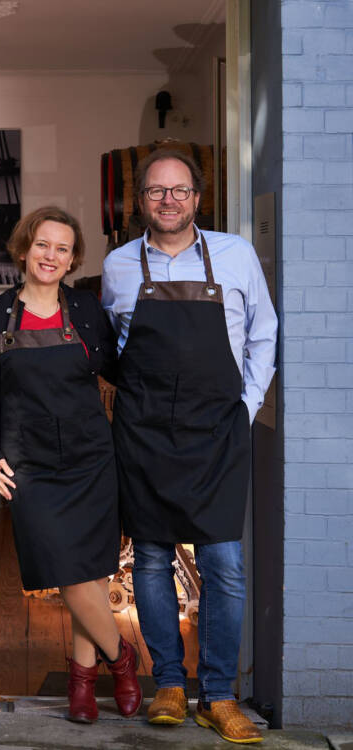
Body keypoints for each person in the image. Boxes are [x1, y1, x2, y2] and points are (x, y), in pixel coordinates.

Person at [102, 149, 277, 744]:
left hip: (217, 432)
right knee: (151, 559)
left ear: (197, 199)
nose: (168, 200)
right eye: (156, 191)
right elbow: (110, 347)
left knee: (224, 565)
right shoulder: (119, 265)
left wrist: (247, 406)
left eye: (179, 191)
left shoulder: (235, 254)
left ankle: (220, 694)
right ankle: (171, 685)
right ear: (141, 200)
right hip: (145, 432)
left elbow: (264, 332)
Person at [0, 206, 142, 724]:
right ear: (24, 249)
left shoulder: (88, 310)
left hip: (92, 458)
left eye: (62, 249)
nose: (51, 256)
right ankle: (124, 659)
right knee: (66, 571)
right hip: (33, 464)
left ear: (73, 260)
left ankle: (82, 685)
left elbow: (124, 373)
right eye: (43, 245)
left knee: (89, 573)